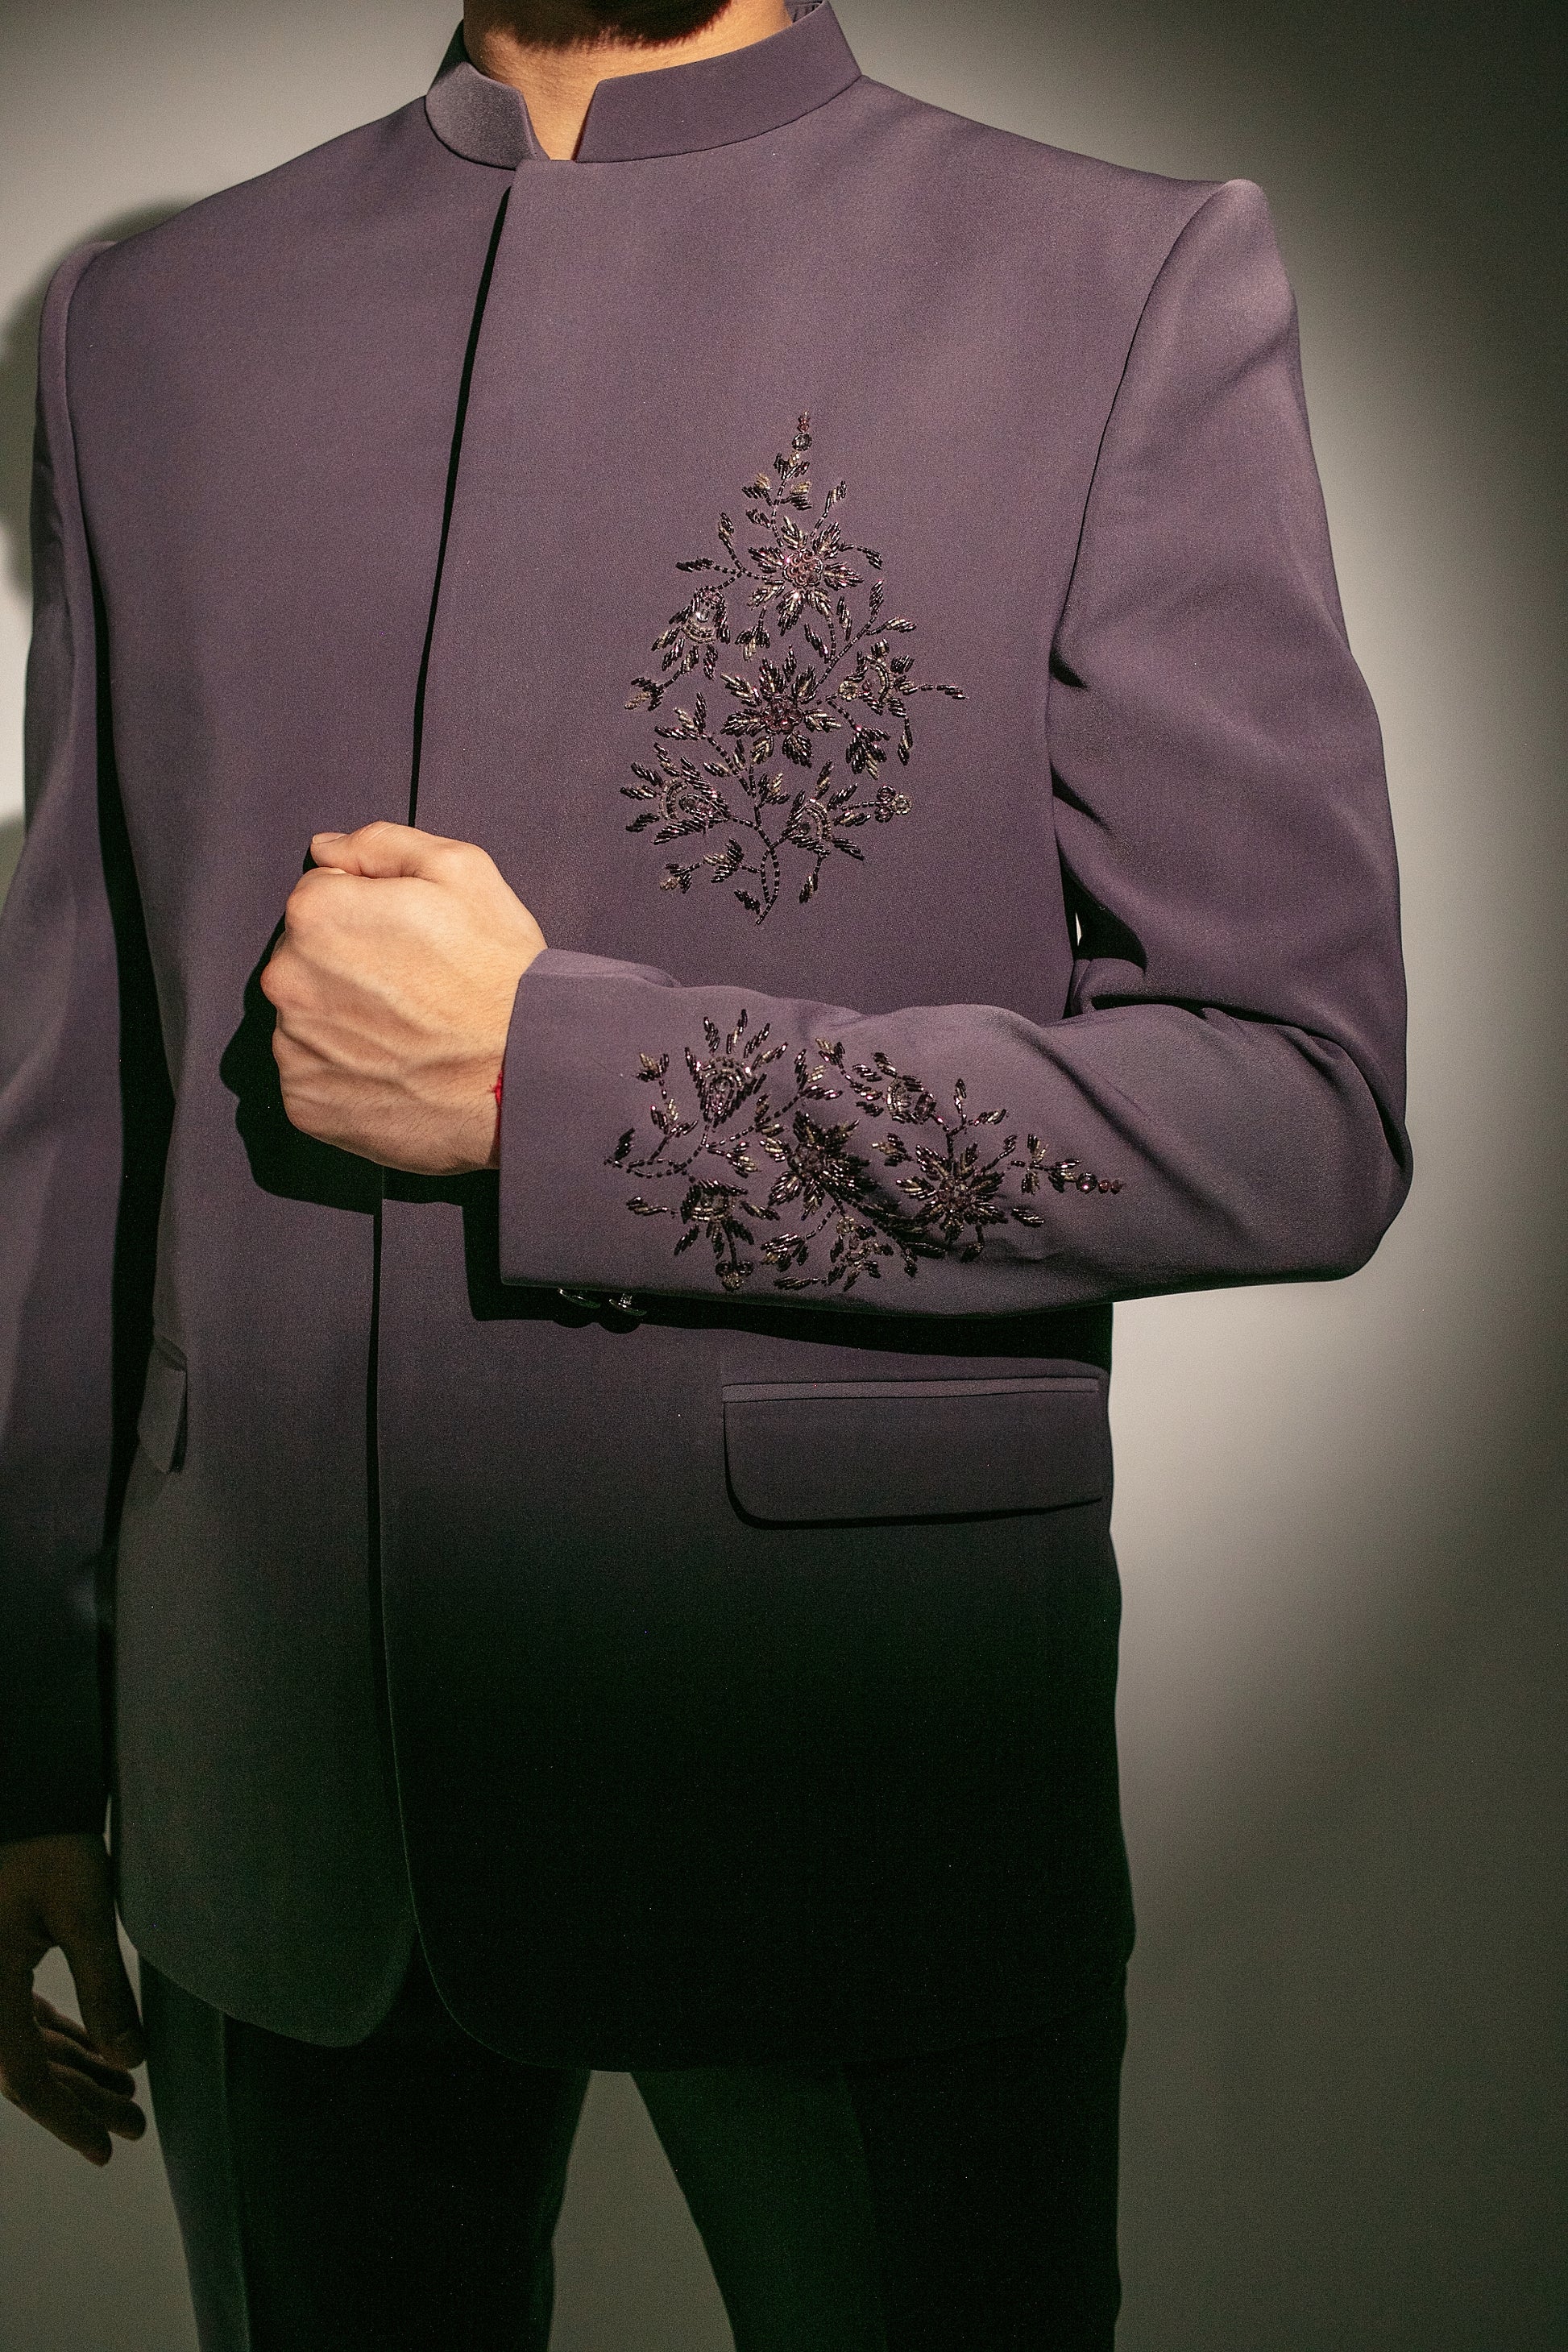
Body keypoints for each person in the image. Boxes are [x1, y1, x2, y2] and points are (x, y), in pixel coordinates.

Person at [0, 0, 1411, 2344]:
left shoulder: (1112, 284)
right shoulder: (148, 325)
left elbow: (1300, 1104)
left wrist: (562, 1085)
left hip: (846, 1767)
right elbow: (79, 1085)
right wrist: (25, 1732)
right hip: (270, 1779)